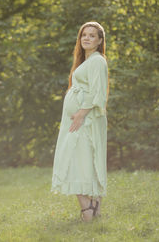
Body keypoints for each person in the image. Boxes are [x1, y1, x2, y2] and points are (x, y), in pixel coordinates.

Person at [51, 21, 109, 222]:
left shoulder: (97, 61)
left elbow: (98, 92)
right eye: (84, 35)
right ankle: (93, 207)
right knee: (81, 161)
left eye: (92, 35)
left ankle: (89, 209)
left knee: (80, 161)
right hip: (78, 119)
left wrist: (81, 113)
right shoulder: (86, 61)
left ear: (100, 40)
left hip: (86, 120)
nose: (87, 38)